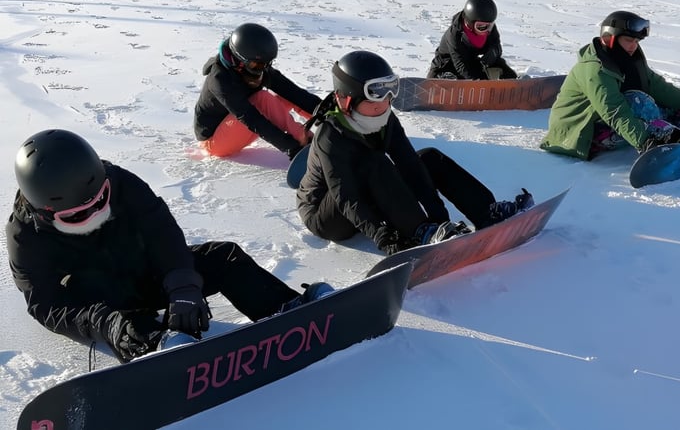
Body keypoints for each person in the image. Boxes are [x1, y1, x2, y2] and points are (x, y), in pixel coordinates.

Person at [6, 129, 331, 363]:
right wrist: (104, 323)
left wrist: (183, 288)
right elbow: (45, 304)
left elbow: (162, 232)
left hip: (144, 273)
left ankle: (287, 309)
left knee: (223, 257)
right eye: (78, 215)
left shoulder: (119, 181)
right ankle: (159, 348)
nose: (94, 213)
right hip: (102, 302)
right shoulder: (26, 235)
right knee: (128, 325)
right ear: (45, 212)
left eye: (99, 201)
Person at [297, 50, 534, 255]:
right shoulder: (330, 136)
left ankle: (485, 212)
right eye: (375, 94)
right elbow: (346, 196)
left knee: (428, 158)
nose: (384, 102)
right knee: (375, 162)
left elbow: (410, 165)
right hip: (328, 215)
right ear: (346, 99)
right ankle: (419, 231)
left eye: (390, 91)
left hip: (366, 193)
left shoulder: (385, 120)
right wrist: (384, 236)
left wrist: (440, 219)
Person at [541, 10, 680, 161]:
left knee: (666, 107)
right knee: (638, 101)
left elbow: (659, 87)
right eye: (629, 40)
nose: (633, 46)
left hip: (610, 124)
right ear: (611, 38)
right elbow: (614, 110)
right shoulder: (595, 69)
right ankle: (668, 141)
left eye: (636, 41)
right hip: (579, 134)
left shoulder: (628, 59)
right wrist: (645, 142)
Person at [194, 23, 322, 159]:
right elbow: (250, 118)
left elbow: (292, 92)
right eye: (258, 65)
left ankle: (331, 124)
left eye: (267, 64)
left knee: (286, 95)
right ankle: (305, 140)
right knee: (262, 99)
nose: (263, 69)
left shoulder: (252, 69)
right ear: (240, 61)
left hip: (238, 125)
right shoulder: (220, 80)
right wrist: (292, 146)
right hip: (215, 142)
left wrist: (327, 111)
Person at [427, 0, 518, 80]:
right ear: (469, 23)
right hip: (446, 65)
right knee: (451, 77)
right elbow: (460, 65)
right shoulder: (455, 34)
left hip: (471, 61)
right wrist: (480, 81)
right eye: (481, 27)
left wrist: (493, 52)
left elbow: (497, 46)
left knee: (500, 66)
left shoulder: (488, 30)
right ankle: (443, 84)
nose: (487, 30)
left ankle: (514, 84)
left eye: (490, 26)